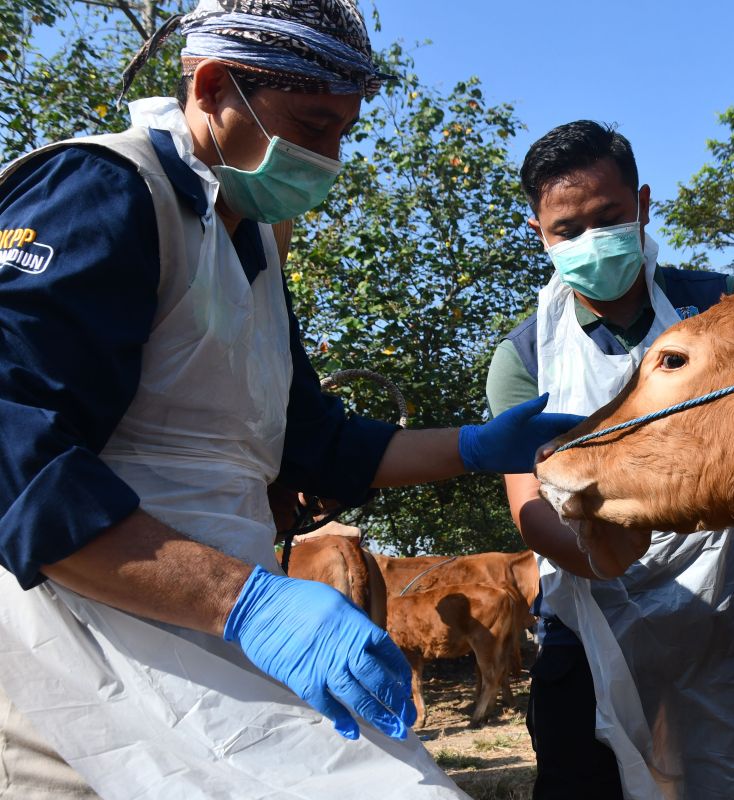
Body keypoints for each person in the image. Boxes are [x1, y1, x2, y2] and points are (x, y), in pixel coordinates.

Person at [0, 2, 582, 798]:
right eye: (311, 124)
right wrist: (250, 606)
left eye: (342, 131)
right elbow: (16, 447)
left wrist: (477, 446)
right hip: (88, 617)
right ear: (211, 90)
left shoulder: (253, 249)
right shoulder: (101, 192)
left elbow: (313, 440)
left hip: (216, 612)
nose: (329, 156)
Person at [486, 121, 734, 800]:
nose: (590, 239)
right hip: (589, 629)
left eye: (608, 217)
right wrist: (598, 554)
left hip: (733, 623)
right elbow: (528, 505)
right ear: (539, 234)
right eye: (567, 229)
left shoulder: (719, 309)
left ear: (643, 204)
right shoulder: (524, 358)